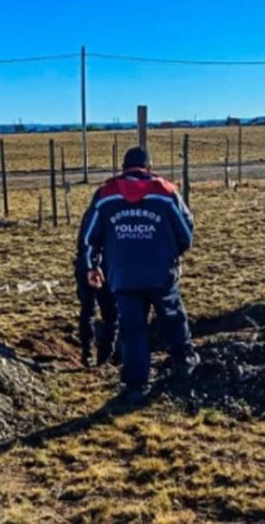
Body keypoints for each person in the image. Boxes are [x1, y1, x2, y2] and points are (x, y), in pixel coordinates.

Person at [82, 146, 199, 403]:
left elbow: (90, 236)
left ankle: (135, 383)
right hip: (160, 271)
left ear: (124, 167)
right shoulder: (167, 193)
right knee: (172, 316)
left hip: (122, 274)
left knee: (132, 327)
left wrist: (93, 266)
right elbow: (186, 230)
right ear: (148, 166)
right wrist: (172, 252)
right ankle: (185, 363)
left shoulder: (105, 195)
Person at [74, 193, 119, 367]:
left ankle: (87, 353)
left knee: (87, 310)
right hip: (104, 267)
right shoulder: (112, 214)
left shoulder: (91, 214)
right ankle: (105, 357)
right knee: (111, 315)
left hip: (85, 264)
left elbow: (83, 241)